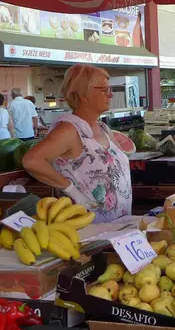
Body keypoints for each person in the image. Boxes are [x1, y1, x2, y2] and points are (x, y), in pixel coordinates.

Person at [22, 64, 132, 223]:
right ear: (83, 95)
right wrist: (71, 190)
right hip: (89, 229)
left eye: (110, 89)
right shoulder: (70, 130)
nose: (110, 95)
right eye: (104, 90)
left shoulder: (103, 128)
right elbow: (31, 161)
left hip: (120, 226)